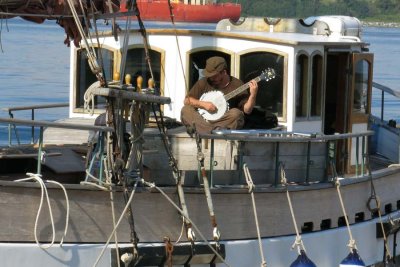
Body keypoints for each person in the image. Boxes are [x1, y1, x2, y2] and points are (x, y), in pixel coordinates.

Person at [181, 56, 258, 135]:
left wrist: (253, 94)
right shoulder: (204, 82)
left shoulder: (237, 84)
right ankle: (213, 130)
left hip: (222, 120)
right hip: (203, 119)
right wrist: (203, 104)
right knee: (186, 110)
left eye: (214, 76)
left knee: (237, 114)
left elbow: (247, 110)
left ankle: (203, 130)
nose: (211, 78)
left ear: (224, 72)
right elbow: (187, 101)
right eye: (209, 76)